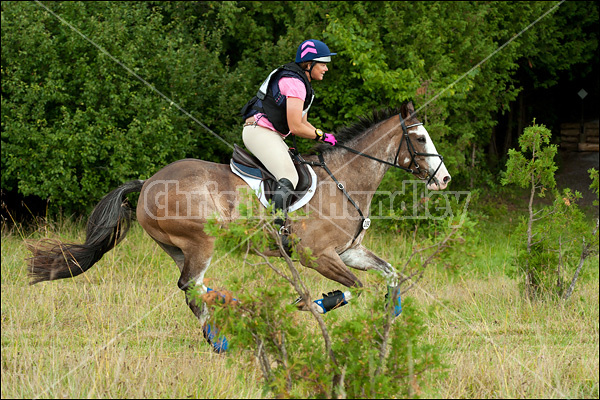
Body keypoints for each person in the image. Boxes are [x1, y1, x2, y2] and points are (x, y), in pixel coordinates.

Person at [240, 39, 338, 247]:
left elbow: (303, 123)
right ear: (309, 64)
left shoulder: (303, 84)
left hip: (271, 134)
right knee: (289, 176)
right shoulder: (294, 83)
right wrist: (320, 135)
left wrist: (325, 135)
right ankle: (275, 230)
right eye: (323, 63)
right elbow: (295, 127)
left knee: (300, 171)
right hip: (259, 131)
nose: (327, 68)